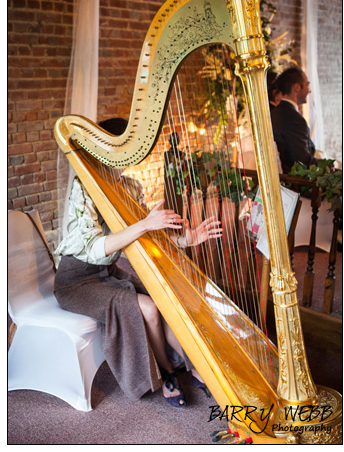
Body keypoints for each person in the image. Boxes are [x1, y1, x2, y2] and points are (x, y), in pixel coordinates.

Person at [54, 118, 222, 408]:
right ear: (105, 151)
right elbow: (95, 249)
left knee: (165, 296)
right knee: (148, 306)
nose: (128, 159)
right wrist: (144, 224)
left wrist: (186, 240)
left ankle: (194, 365)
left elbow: (151, 239)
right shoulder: (83, 189)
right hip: (76, 281)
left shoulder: (129, 186)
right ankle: (167, 374)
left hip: (107, 274)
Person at [270, 66, 318, 174]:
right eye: (307, 84)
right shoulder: (294, 119)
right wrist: (327, 166)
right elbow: (302, 161)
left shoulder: (275, 113)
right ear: (297, 87)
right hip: (297, 183)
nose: (309, 90)